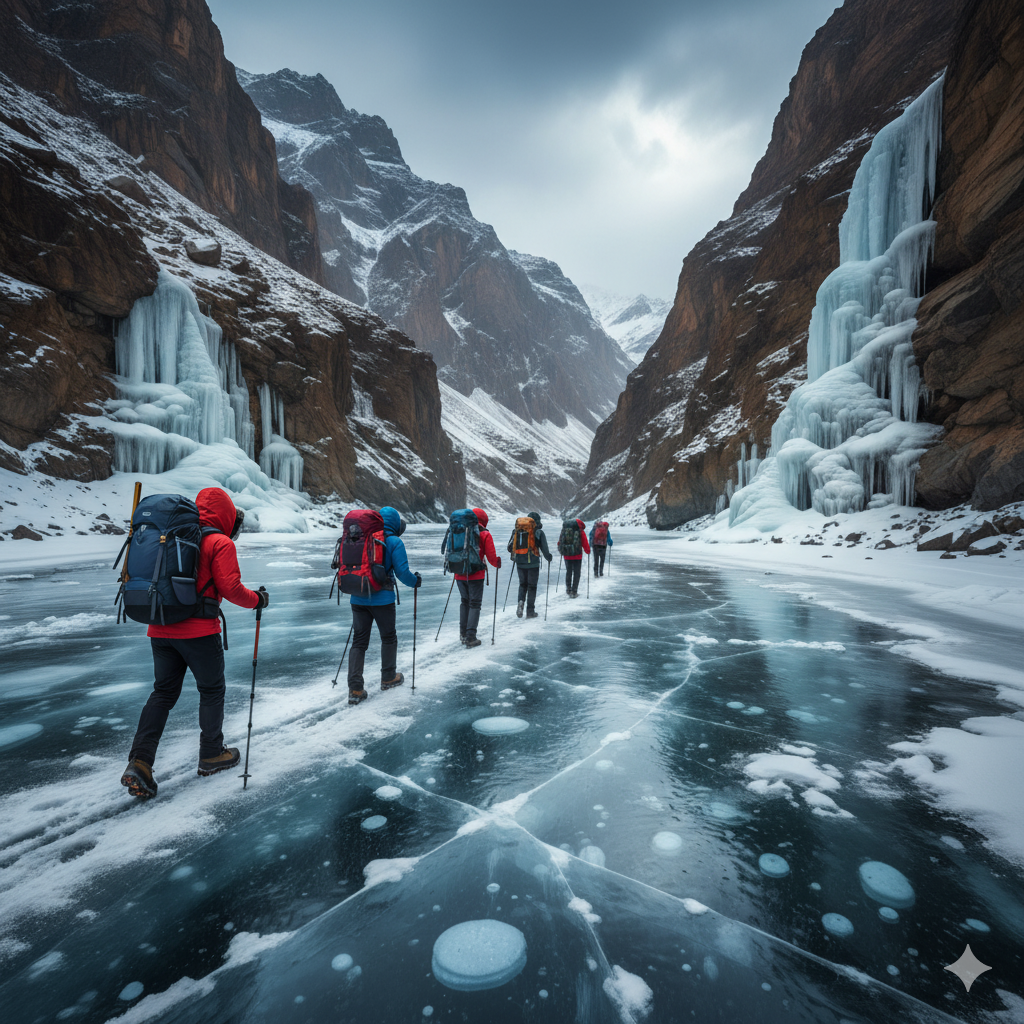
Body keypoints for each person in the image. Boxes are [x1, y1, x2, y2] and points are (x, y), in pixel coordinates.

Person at [120, 487, 268, 800]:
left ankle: (140, 762)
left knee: (162, 693)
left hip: (159, 629)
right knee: (212, 690)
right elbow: (231, 589)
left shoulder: (176, 535)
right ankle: (212, 754)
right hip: (200, 632)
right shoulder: (219, 541)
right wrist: (258, 599)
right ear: (227, 515)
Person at [348, 506, 421, 704]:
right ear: (396, 524)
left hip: (357, 596)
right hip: (382, 599)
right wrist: (416, 581)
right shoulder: (394, 541)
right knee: (388, 637)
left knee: (359, 641)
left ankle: (355, 689)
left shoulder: (361, 537)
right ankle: (388, 677)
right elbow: (403, 573)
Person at [453, 507, 501, 648]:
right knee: (474, 603)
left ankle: (463, 634)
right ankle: (471, 637)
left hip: (459, 572)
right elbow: (491, 557)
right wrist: (497, 562)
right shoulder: (484, 533)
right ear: (484, 520)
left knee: (465, 601)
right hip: (476, 574)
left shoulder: (458, 529)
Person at [507, 512, 552, 618]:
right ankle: (530, 611)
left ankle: (520, 603)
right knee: (532, 586)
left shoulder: (517, 531)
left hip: (520, 562)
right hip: (533, 563)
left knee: (522, 584)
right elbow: (544, 549)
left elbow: (509, 548)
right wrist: (548, 557)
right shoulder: (539, 532)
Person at [557, 517, 591, 598]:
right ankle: (574, 591)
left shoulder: (564, 530)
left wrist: (562, 549)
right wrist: (588, 551)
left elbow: (560, 542)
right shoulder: (580, 531)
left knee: (568, 572)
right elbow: (584, 542)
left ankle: (568, 589)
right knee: (576, 573)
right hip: (577, 555)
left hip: (567, 555)